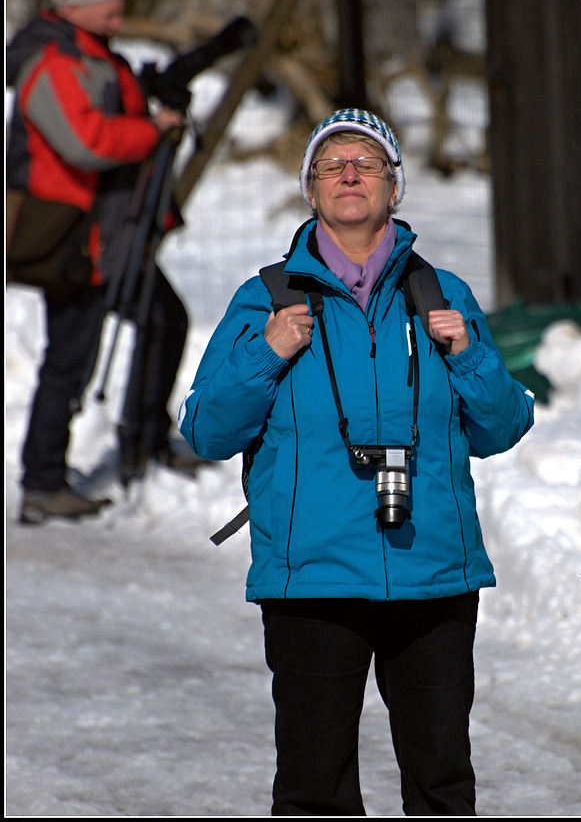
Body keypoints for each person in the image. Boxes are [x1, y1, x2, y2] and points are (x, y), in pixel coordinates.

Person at [179, 108, 535, 815]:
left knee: (442, 785)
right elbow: (206, 431)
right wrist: (267, 353)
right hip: (311, 580)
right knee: (315, 790)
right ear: (310, 191)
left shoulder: (442, 296)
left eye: (367, 163)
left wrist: (467, 355)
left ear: (394, 188)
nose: (349, 174)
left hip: (432, 576)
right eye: (332, 164)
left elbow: (503, 425)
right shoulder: (267, 300)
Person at [7, 0, 190, 525]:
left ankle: (144, 440)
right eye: (104, 0)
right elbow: (84, 141)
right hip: (69, 239)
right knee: (71, 356)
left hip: (109, 235)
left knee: (164, 319)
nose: (118, 8)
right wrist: (151, 130)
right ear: (74, 3)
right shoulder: (51, 62)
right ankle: (42, 483)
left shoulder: (95, 54)